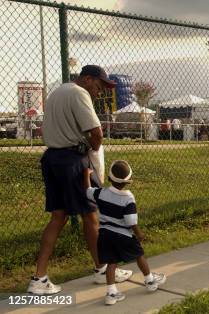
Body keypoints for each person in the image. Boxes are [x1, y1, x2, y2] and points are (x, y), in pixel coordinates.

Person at [28, 65, 132, 295]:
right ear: (86, 79)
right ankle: (102, 269)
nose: (100, 91)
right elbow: (97, 133)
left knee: (58, 217)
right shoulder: (79, 93)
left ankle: (39, 277)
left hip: (52, 158)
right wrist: (93, 150)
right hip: (72, 161)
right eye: (98, 85)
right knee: (91, 214)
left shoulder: (58, 92)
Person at [84, 161, 166, 305]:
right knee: (139, 256)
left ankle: (111, 293)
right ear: (128, 181)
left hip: (105, 235)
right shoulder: (128, 198)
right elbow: (130, 221)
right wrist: (138, 233)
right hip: (124, 235)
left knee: (111, 262)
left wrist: (86, 175)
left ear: (109, 178)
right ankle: (150, 280)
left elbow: (88, 191)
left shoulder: (101, 193)